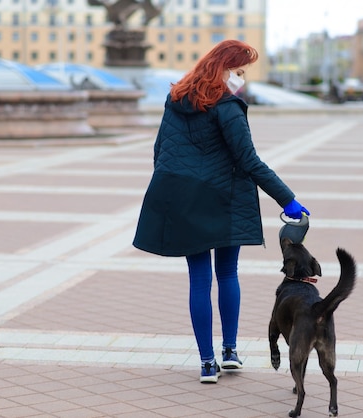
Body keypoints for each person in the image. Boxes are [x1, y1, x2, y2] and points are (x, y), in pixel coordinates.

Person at [132, 40, 309, 384]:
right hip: (222, 199)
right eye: (239, 71)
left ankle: (207, 362)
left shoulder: (175, 98)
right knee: (227, 273)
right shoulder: (227, 106)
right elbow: (249, 161)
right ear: (225, 68)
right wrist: (287, 200)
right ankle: (229, 351)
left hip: (183, 198)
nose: (241, 79)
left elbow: (161, 151)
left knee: (199, 279)